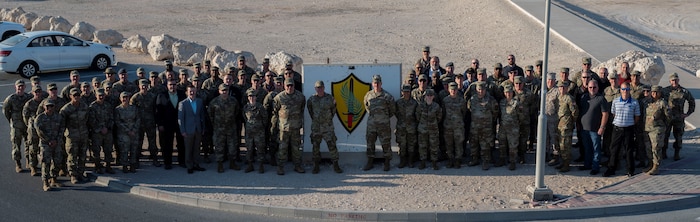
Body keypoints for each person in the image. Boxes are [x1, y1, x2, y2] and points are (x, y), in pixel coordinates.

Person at [604, 82, 641, 177]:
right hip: (617, 129)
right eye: (623, 89)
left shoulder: (634, 102)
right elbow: (613, 114)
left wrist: (629, 123)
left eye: (627, 89)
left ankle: (630, 170)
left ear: (630, 90)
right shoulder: (615, 101)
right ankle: (611, 168)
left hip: (629, 129)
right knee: (614, 149)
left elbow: (637, 116)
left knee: (629, 150)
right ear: (620, 90)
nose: (625, 91)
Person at [306, 81, 343, 174]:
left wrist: (327, 119)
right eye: (318, 87)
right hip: (316, 127)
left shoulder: (330, 98)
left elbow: (333, 110)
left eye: (321, 87)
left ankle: (336, 164)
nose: (320, 89)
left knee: (332, 145)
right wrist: (316, 120)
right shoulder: (311, 99)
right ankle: (316, 165)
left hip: (327, 127)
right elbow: (310, 111)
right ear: (315, 88)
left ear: (324, 88)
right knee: (315, 146)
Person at [272, 79, 306, 175]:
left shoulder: (300, 97)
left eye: (291, 85)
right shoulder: (279, 97)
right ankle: (280, 167)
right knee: (282, 148)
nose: (289, 87)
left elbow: (302, 108)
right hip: (284, 129)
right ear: (284, 86)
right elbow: (275, 111)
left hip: (295, 128)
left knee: (296, 148)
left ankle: (297, 166)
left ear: (294, 86)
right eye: (287, 86)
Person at [362, 75, 395, 171]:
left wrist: (383, 117)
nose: (376, 84)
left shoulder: (387, 96)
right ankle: (370, 161)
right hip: (372, 124)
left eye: (378, 83)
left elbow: (392, 110)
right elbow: (367, 107)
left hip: (383, 124)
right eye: (375, 83)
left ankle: (387, 162)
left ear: (381, 83)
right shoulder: (368, 95)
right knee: (370, 143)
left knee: (386, 143)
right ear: (372, 84)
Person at [207, 83, 241, 172]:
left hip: (231, 127)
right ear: (219, 91)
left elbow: (237, 111)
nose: (224, 92)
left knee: (232, 146)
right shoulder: (214, 102)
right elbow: (210, 114)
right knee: (219, 146)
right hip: (219, 128)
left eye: (226, 90)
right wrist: (215, 124)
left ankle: (232, 163)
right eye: (222, 91)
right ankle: (220, 164)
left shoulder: (233, 101)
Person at [59, 88, 90, 184]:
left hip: (83, 134)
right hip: (72, 136)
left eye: (78, 95)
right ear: (70, 96)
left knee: (82, 155)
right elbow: (62, 124)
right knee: (72, 156)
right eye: (74, 95)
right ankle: (73, 175)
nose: (76, 97)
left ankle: (80, 173)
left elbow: (87, 119)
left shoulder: (84, 106)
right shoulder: (66, 109)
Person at [578, 80, 609, 175]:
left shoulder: (601, 99)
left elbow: (605, 114)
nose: (592, 89)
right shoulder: (584, 97)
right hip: (584, 128)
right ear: (587, 87)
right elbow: (580, 112)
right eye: (590, 87)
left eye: (594, 87)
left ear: (598, 88)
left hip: (595, 129)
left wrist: (602, 127)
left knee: (596, 148)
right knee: (587, 148)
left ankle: (595, 167)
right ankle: (587, 164)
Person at [662, 73, 695, 161]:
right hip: (668, 118)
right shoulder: (665, 91)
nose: (674, 82)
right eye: (673, 80)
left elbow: (692, 102)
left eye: (676, 80)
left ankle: (677, 153)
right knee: (665, 135)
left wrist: (687, 113)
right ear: (670, 81)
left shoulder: (684, 91)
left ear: (678, 80)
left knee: (678, 136)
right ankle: (663, 152)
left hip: (679, 118)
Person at [155, 79, 186, 169]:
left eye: (174, 84)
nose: (172, 86)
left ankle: (182, 161)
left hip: (179, 123)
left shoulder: (181, 94)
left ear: (176, 85)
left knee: (181, 143)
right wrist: (160, 124)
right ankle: (168, 162)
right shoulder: (161, 96)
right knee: (168, 144)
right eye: (170, 85)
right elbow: (158, 111)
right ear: (167, 86)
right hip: (167, 124)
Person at [34, 100, 64, 191]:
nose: (49, 108)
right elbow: (40, 132)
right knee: (46, 162)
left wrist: (57, 140)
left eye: (51, 106)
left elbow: (62, 129)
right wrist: (49, 141)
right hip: (45, 144)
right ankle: (45, 182)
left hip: (57, 142)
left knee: (57, 161)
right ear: (44, 107)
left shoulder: (58, 117)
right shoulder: (40, 118)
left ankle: (54, 178)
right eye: (47, 106)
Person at [130, 79, 160, 167]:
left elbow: (156, 109)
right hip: (139, 124)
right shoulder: (135, 97)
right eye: (142, 85)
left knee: (152, 142)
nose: (144, 87)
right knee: (138, 142)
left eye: (146, 85)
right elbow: (132, 110)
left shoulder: (152, 96)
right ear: (139, 86)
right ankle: (136, 160)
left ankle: (154, 158)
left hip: (150, 122)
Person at [467, 83, 497, 170]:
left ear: (485, 90)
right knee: (474, 144)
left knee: (485, 145)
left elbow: (495, 112)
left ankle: (485, 162)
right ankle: (474, 159)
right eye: (479, 90)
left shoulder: (491, 100)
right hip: (474, 126)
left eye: (482, 90)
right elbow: (469, 110)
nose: (481, 91)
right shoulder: (472, 99)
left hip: (486, 127)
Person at [3, 79, 31, 173]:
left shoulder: (28, 97)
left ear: (25, 87)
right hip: (16, 125)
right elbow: (6, 111)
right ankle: (18, 163)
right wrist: (12, 120)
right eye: (19, 86)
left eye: (22, 86)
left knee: (28, 144)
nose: (20, 88)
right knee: (16, 145)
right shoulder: (11, 98)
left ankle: (29, 161)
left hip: (26, 125)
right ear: (15, 87)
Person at [178, 86, 207, 174]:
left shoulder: (199, 102)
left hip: (198, 129)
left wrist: (203, 128)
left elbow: (202, 116)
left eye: (193, 91)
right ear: (187, 92)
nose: (192, 93)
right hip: (188, 130)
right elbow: (180, 119)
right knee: (188, 149)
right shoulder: (183, 103)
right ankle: (189, 166)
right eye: (190, 91)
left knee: (196, 148)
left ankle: (196, 164)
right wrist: (182, 130)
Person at [643, 85, 670, 175]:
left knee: (656, 148)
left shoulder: (662, 103)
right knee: (648, 148)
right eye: (653, 92)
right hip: (647, 128)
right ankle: (650, 164)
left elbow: (668, 117)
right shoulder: (647, 102)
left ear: (659, 93)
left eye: (656, 92)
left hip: (657, 129)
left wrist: (662, 125)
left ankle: (656, 166)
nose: (654, 94)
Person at [88, 89, 115, 174]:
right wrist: (100, 129)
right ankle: (98, 166)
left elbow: (112, 118)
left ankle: (108, 166)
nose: (101, 97)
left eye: (102, 95)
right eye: (99, 95)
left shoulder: (108, 105)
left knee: (108, 149)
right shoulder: (92, 106)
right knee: (96, 150)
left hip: (107, 131)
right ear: (96, 96)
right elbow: (91, 120)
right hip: (97, 132)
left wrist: (107, 128)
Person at [114, 92, 141, 173]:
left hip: (134, 132)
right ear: (120, 99)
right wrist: (128, 131)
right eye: (123, 97)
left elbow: (138, 119)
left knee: (133, 149)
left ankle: (132, 165)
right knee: (124, 150)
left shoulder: (134, 108)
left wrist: (134, 130)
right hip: (123, 133)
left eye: (127, 97)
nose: (125, 99)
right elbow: (117, 122)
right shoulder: (118, 109)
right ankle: (125, 165)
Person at [441, 82, 466, 169]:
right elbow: (443, 113)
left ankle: (458, 160)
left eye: (455, 90)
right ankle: (450, 159)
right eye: (452, 90)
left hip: (458, 126)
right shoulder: (445, 100)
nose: (453, 91)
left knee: (458, 143)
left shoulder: (461, 100)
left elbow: (464, 112)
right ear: (449, 90)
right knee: (449, 144)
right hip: (448, 126)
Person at [416, 89, 442, 170]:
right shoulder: (420, 106)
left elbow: (439, 117)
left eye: (431, 96)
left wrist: (433, 123)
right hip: (422, 129)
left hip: (433, 129)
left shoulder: (436, 106)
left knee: (434, 146)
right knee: (422, 146)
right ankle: (423, 162)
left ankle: (434, 163)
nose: (429, 97)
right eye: (428, 96)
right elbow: (417, 116)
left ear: (433, 97)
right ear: (425, 97)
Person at [243, 90, 268, 173]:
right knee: (249, 149)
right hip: (249, 131)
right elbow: (245, 117)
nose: (251, 98)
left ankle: (261, 165)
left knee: (260, 148)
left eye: (253, 96)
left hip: (259, 131)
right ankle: (250, 165)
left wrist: (261, 126)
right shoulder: (246, 107)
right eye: (250, 96)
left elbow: (265, 118)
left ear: (256, 97)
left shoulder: (260, 107)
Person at [22, 85, 44, 176]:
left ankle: (44, 167)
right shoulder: (29, 104)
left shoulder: (44, 102)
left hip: (43, 128)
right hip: (33, 129)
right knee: (33, 148)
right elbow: (25, 117)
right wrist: (30, 125)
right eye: (36, 92)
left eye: (39, 92)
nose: (38, 94)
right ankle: (33, 167)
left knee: (43, 148)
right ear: (33, 93)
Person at [394, 84, 418, 168]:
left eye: (408, 92)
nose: (406, 94)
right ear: (402, 92)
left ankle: (410, 161)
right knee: (402, 145)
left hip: (411, 127)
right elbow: (395, 112)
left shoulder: (414, 103)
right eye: (404, 92)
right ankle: (402, 161)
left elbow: (417, 115)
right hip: (401, 127)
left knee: (411, 145)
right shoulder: (398, 102)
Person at [498, 86, 522, 170]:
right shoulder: (501, 102)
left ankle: (512, 162)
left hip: (513, 128)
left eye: (510, 92)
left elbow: (521, 116)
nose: (508, 94)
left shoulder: (517, 103)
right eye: (506, 92)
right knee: (502, 144)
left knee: (513, 146)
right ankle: (502, 159)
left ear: (512, 93)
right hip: (503, 127)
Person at [557, 80, 578, 173]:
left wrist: (570, 122)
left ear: (567, 88)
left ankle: (566, 164)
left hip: (566, 125)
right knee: (561, 145)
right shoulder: (559, 97)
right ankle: (562, 162)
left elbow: (575, 112)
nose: (562, 89)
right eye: (560, 87)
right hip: (559, 125)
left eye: (564, 87)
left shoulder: (569, 98)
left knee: (566, 145)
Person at [544, 73, 561, 166]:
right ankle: (546, 153)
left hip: (553, 118)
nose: (550, 82)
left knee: (554, 137)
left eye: (552, 80)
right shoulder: (542, 90)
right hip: (544, 118)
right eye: (548, 80)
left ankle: (556, 156)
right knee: (545, 137)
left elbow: (559, 106)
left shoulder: (557, 91)